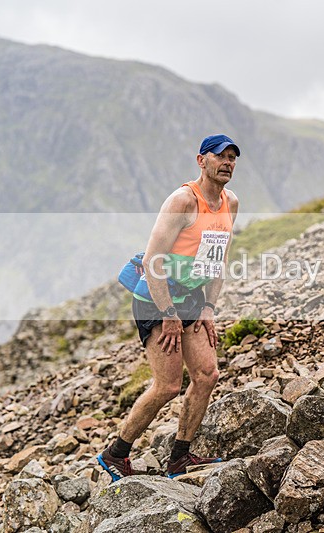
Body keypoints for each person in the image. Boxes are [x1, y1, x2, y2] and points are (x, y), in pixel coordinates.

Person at [97, 134, 240, 480]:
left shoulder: (230, 203)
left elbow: (216, 261)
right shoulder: (182, 201)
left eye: (233, 158)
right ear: (201, 160)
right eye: (220, 156)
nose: (228, 163)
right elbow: (153, 260)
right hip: (156, 299)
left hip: (191, 297)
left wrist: (207, 307)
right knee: (168, 386)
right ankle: (115, 454)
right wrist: (169, 315)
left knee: (207, 375)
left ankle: (179, 458)